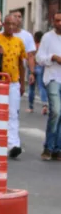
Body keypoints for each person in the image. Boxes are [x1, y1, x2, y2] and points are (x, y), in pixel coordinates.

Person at [0, 14, 26, 158]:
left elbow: (21, 65)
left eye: (14, 25)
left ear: (17, 27)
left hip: (13, 83)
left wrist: (22, 83)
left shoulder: (19, 42)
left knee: (13, 114)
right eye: (8, 24)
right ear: (3, 24)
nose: (11, 27)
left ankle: (13, 145)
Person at [36, 11, 61, 161]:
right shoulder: (47, 37)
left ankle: (57, 149)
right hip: (52, 78)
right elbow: (39, 58)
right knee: (56, 111)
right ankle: (48, 147)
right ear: (53, 21)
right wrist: (52, 58)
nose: (59, 23)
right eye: (57, 20)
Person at [28, 31, 48, 115]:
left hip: (33, 67)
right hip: (41, 67)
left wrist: (31, 71)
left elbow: (30, 58)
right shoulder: (44, 47)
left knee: (31, 88)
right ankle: (44, 104)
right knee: (41, 87)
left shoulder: (32, 47)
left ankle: (31, 107)